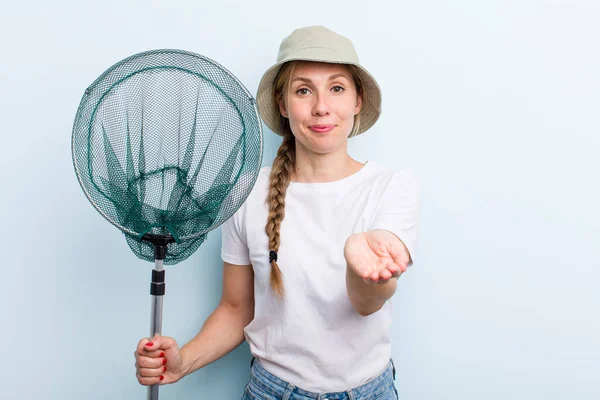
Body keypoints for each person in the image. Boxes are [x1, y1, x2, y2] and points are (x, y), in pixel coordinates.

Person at [134, 25, 419, 400]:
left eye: (337, 88)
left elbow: (369, 303)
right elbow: (236, 309)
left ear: (357, 101)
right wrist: (183, 360)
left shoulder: (392, 186)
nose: (321, 107)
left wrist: (361, 268)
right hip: (272, 391)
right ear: (283, 105)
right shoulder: (247, 194)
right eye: (303, 90)